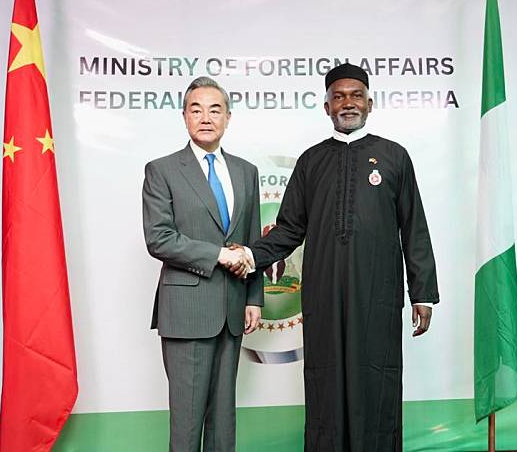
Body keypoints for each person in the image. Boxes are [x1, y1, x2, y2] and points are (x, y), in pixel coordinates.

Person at [245, 63, 439, 451]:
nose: (347, 103)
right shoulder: (311, 161)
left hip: (377, 297)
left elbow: (413, 226)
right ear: (326, 106)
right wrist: (251, 255)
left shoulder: (394, 156)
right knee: (326, 383)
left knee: (376, 382)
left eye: (355, 95)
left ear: (370, 102)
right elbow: (287, 229)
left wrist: (422, 293)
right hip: (324, 296)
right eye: (338, 96)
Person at [142, 76, 263, 452]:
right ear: (184, 117)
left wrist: (254, 298)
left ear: (228, 117)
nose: (206, 118)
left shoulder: (246, 171)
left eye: (215, 110)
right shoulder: (162, 170)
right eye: (196, 109)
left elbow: (253, 239)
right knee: (188, 420)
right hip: (187, 312)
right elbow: (158, 237)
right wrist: (219, 255)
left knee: (223, 421)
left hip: (231, 311)